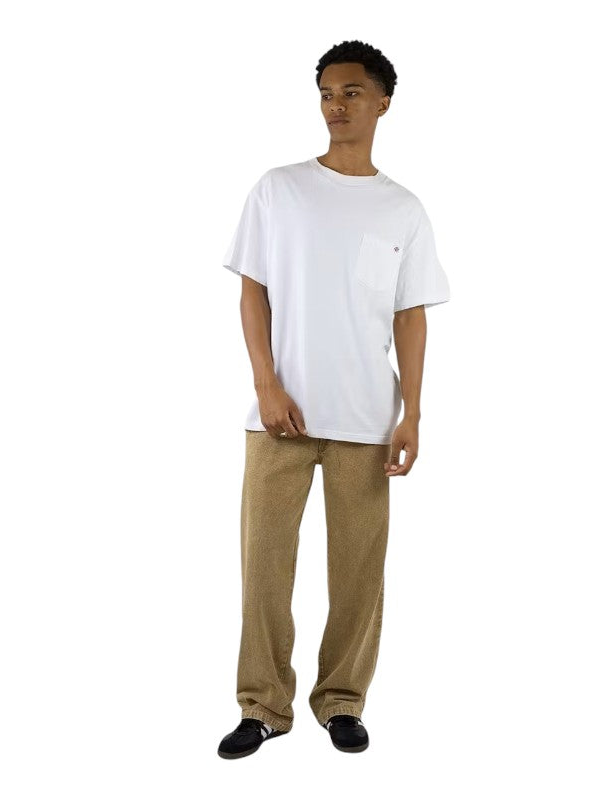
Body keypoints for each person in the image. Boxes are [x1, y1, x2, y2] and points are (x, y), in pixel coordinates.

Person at [217, 40, 450, 759]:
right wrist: (266, 383)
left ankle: (343, 700)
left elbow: (410, 316)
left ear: (383, 101)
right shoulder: (278, 189)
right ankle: (263, 706)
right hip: (278, 418)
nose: (335, 105)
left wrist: (413, 412)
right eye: (326, 92)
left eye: (350, 92)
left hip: (366, 419)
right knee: (263, 569)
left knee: (358, 573)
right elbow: (252, 291)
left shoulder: (403, 209)